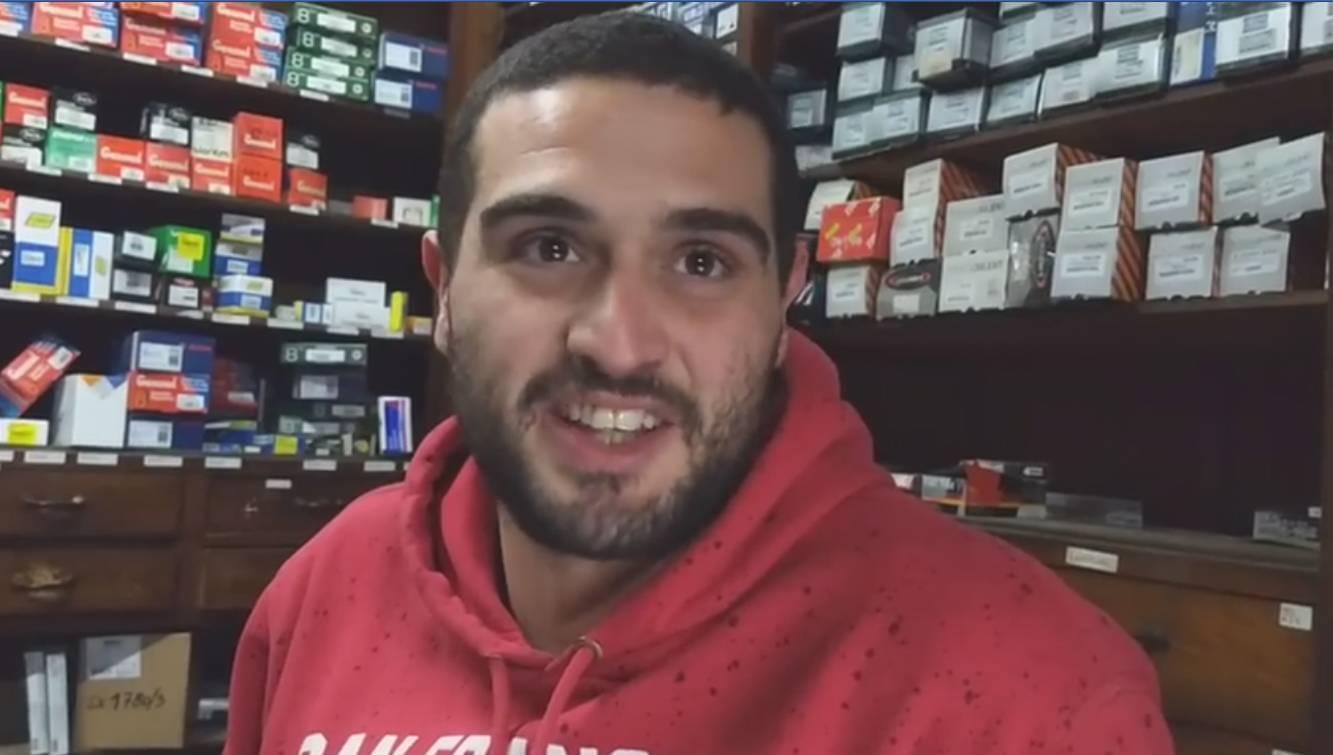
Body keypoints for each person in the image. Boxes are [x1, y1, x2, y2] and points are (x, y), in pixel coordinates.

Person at [224, 12, 1172, 755]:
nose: (620, 345)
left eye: (701, 262)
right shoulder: (323, 591)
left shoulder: (1034, 698)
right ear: (442, 289)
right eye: (548, 247)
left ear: (783, 301)